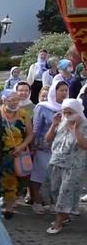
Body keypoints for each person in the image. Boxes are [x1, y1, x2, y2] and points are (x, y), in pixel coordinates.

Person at [41, 99, 87, 234]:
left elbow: (84, 145)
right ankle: (64, 216)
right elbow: (48, 139)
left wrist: (75, 130)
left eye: (70, 112)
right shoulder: (62, 122)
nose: (67, 115)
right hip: (56, 162)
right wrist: (53, 124)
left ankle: (58, 222)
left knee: (65, 192)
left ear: (78, 111)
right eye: (64, 112)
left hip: (73, 166)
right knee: (55, 190)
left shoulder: (84, 125)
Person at [31, 80, 69, 214]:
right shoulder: (42, 107)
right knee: (39, 175)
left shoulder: (68, 106)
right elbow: (36, 128)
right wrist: (33, 147)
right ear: (54, 91)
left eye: (66, 90)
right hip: (43, 146)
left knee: (56, 176)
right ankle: (36, 201)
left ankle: (52, 201)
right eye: (61, 90)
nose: (64, 93)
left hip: (62, 148)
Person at [0, 90, 34, 219]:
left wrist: (21, 147)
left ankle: (9, 206)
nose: (14, 102)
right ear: (3, 100)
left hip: (18, 153)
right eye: (10, 100)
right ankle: (2, 202)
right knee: (0, 178)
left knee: (13, 179)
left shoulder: (24, 115)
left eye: (16, 100)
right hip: (0, 153)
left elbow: (30, 134)